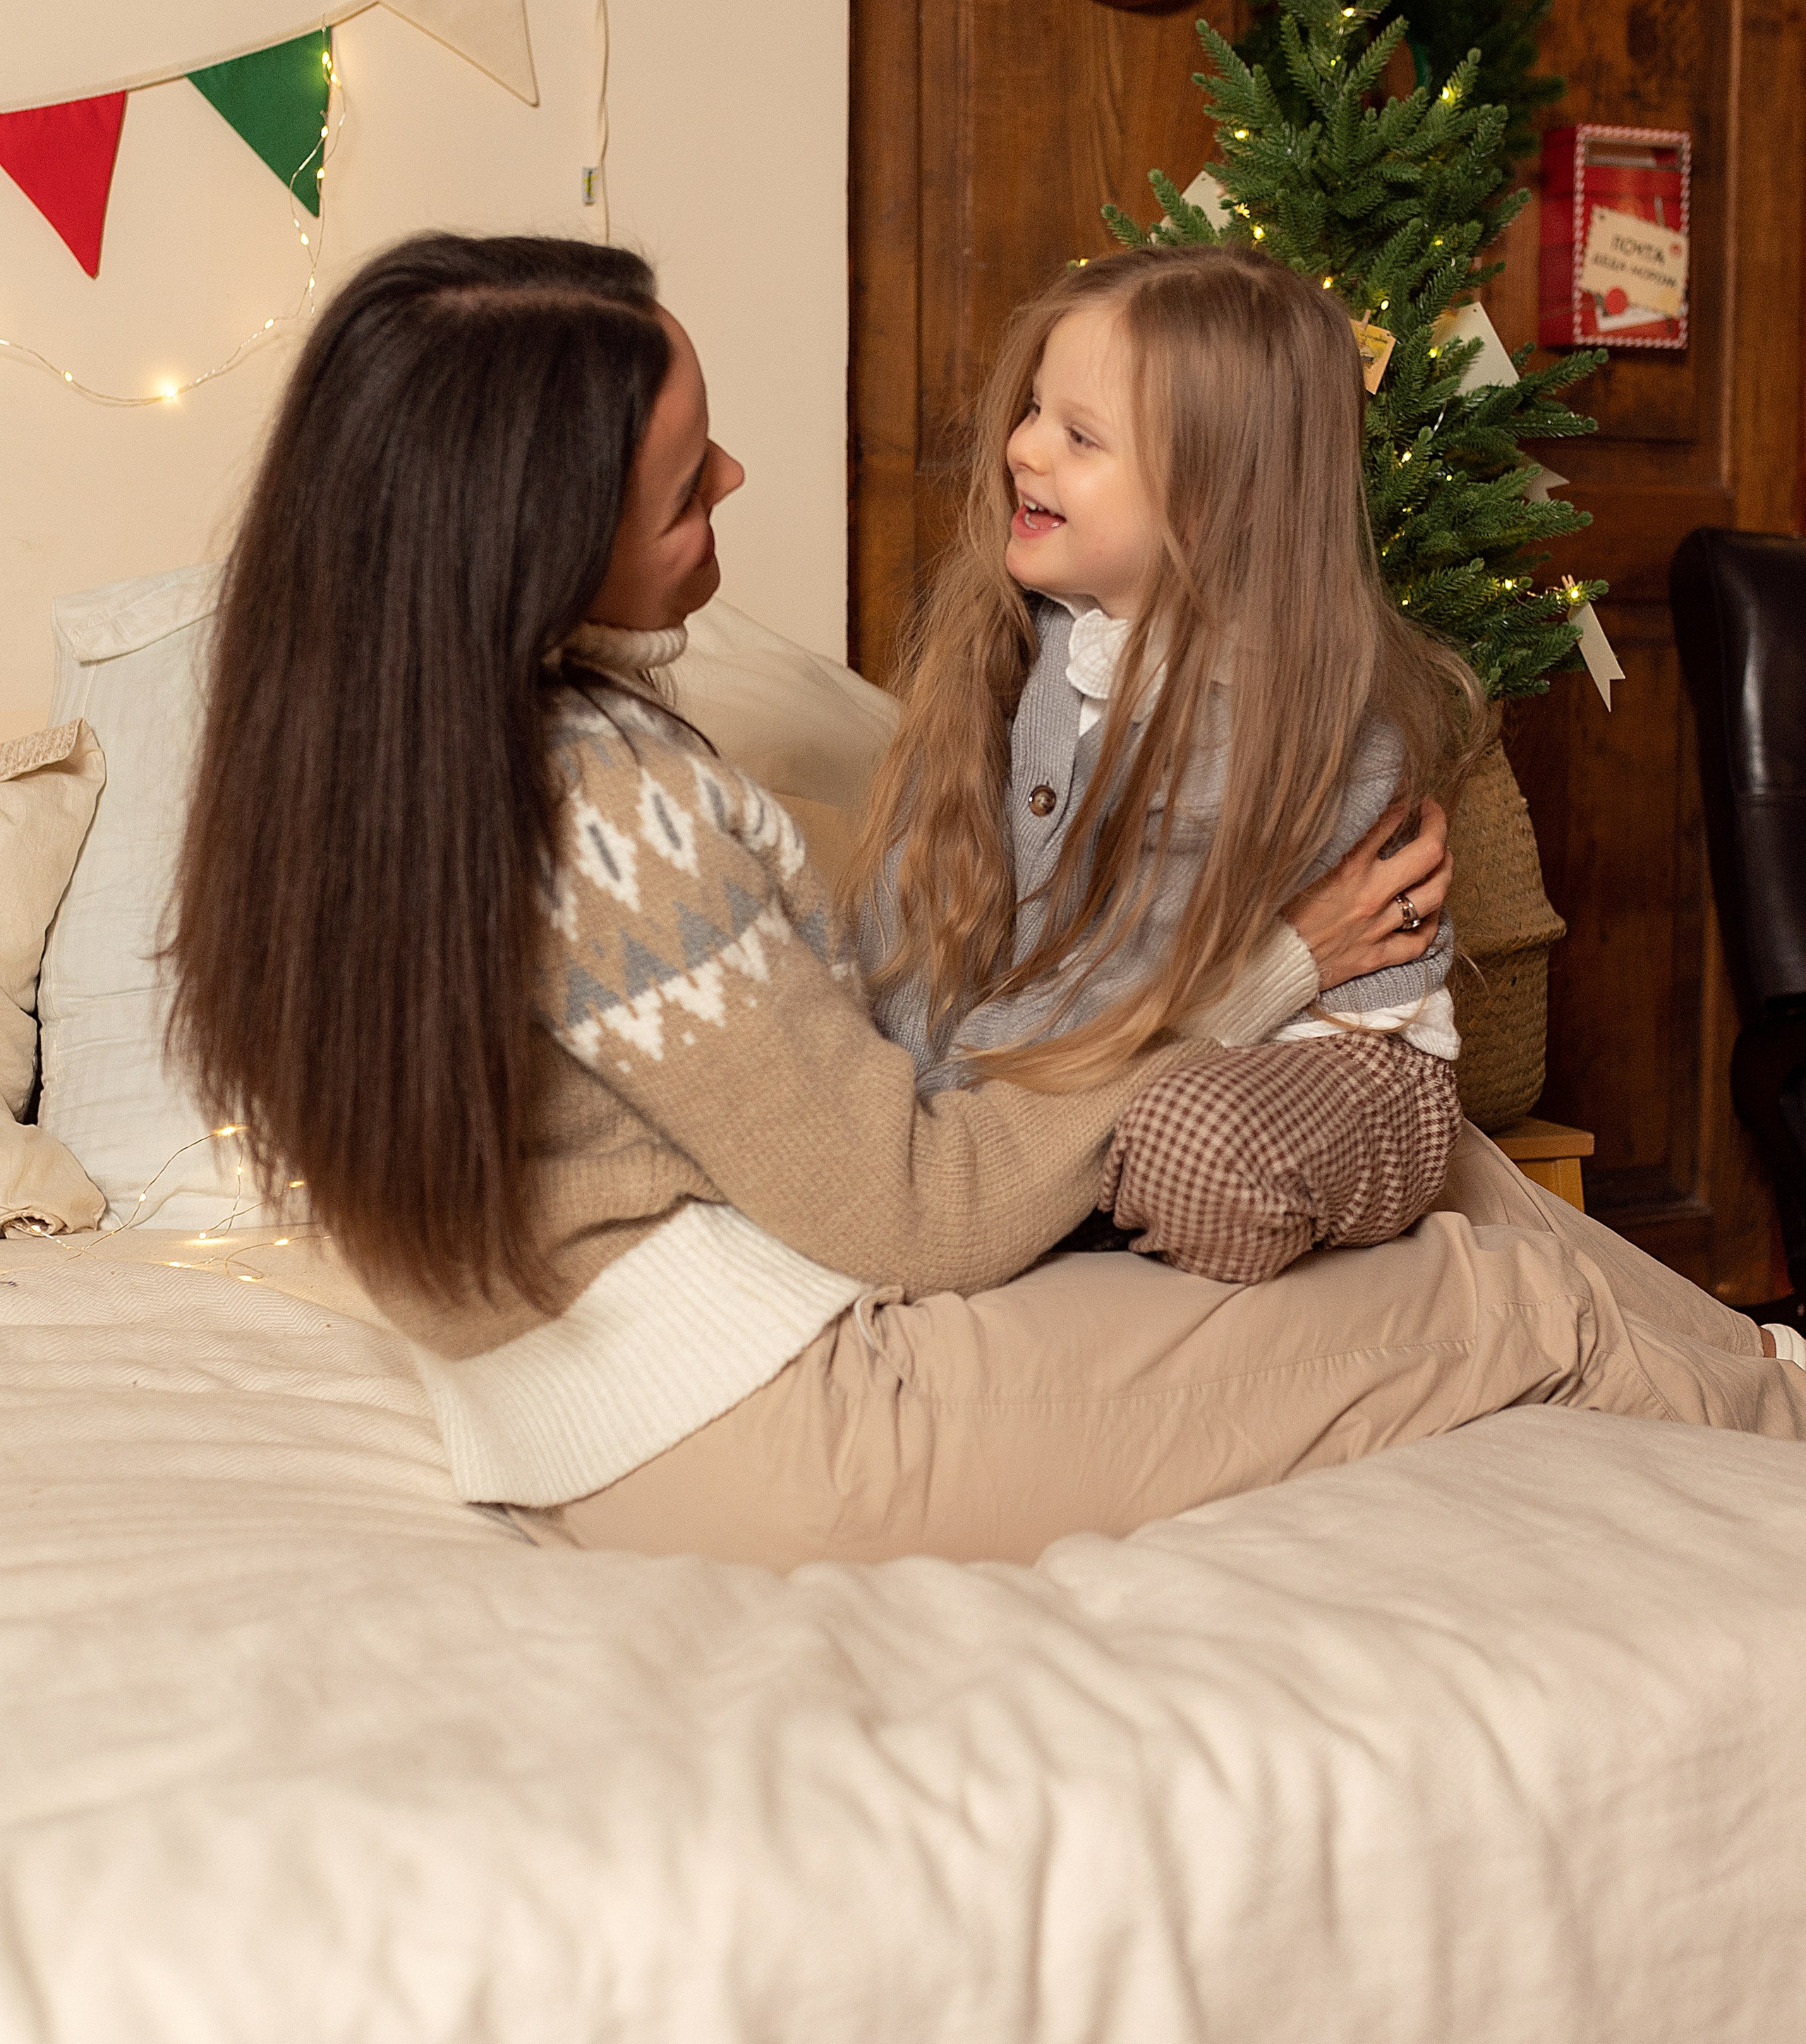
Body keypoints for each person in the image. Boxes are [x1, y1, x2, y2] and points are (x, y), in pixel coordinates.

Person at [167, 233, 1806, 1571]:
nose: (735, 473)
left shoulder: (384, 754)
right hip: (766, 1423)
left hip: (597, 1408)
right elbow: (915, 1211)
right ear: (531, 533)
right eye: (682, 480)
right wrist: (1257, 979)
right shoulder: (609, 822)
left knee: (1442, 1162)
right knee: (1506, 1296)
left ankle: (1761, 1372)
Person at [850, 246, 1479, 1276]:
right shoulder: (1007, 650)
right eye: (1035, 411)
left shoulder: (1292, 721)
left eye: (1080, 436)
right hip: (1105, 1051)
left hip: (1313, 1060)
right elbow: (917, 915)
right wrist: (907, 1117)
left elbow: (1149, 986)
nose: (1023, 449)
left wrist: (961, 1114)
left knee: (1190, 1149)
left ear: (1214, 501)